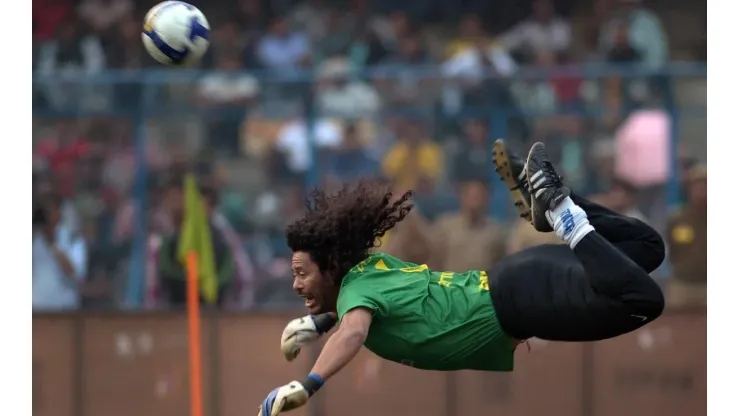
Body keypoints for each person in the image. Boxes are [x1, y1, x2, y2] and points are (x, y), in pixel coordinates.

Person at [257, 140, 665, 416]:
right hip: (520, 277)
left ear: (331, 268)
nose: (295, 285)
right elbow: (358, 315)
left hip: (523, 303)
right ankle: (559, 209)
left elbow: (353, 333)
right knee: (648, 247)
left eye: (301, 273)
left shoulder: (358, 294)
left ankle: (563, 215)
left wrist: (309, 384)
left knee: (644, 300)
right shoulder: (369, 271)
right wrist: (318, 321)